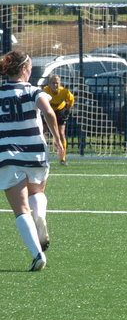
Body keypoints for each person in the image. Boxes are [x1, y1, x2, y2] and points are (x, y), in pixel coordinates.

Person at [0, 51, 65, 271]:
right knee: (37, 192)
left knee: (21, 210)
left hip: (8, 155)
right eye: (30, 67)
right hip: (35, 153)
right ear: (23, 69)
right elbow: (49, 112)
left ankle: (38, 254)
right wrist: (57, 139)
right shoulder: (33, 91)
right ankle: (40, 217)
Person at [43, 74, 74, 165]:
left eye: (57, 83)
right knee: (44, 132)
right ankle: (43, 156)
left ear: (60, 84)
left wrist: (67, 110)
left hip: (60, 110)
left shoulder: (64, 92)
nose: (55, 85)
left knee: (61, 133)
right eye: (53, 83)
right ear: (49, 84)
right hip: (49, 110)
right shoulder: (45, 90)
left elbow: (71, 100)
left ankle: (62, 158)